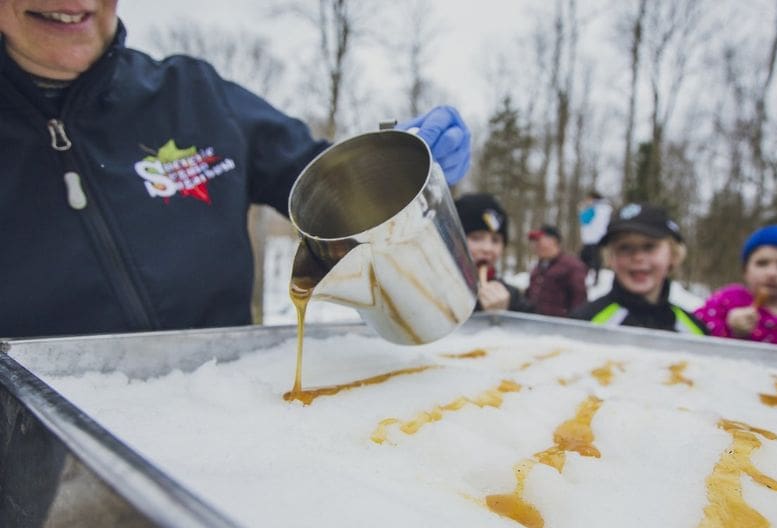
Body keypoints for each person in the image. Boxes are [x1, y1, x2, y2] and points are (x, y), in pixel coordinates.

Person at [0, 2, 471, 339]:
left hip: (223, 400)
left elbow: (325, 182)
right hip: (41, 439)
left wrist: (401, 162)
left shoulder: (192, 94)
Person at [570, 203, 707, 335]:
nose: (637, 257)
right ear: (611, 258)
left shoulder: (694, 331)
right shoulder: (585, 324)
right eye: (625, 247)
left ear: (673, 254)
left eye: (649, 247)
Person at [694, 225, 777, 345]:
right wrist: (728, 329)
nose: (772, 273)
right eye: (762, 263)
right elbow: (693, 332)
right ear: (745, 270)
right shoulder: (726, 300)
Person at [455, 193, 531, 312]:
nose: (487, 249)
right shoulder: (434, 290)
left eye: (495, 240)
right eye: (476, 238)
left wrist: (499, 318)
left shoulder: (513, 297)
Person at [525, 224, 587, 317]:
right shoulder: (538, 267)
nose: (536, 245)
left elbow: (579, 301)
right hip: (536, 325)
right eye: (535, 242)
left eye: (539, 241)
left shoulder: (572, 266)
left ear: (553, 241)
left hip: (560, 327)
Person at [578, 190, 613, 284]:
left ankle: (587, 277)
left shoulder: (594, 208)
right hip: (597, 237)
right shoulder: (605, 208)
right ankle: (591, 277)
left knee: (587, 258)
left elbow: (584, 219)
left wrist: (583, 209)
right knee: (592, 258)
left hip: (592, 238)